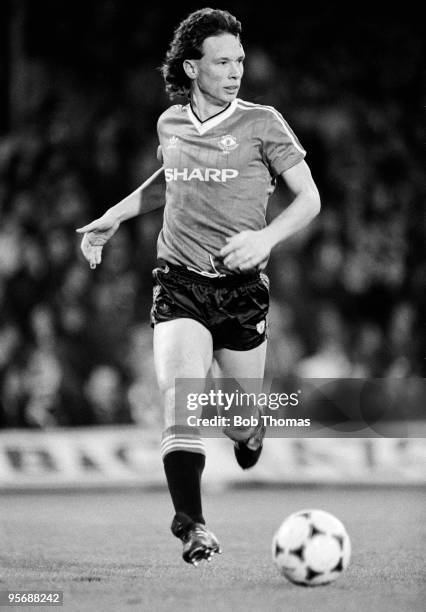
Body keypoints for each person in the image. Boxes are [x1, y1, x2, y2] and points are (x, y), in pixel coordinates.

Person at [76, 8, 320, 566]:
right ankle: (193, 527)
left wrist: (266, 241)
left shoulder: (264, 123)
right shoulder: (171, 124)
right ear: (192, 67)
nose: (236, 70)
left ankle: (250, 435)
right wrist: (113, 215)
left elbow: (310, 200)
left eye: (239, 60)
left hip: (241, 292)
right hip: (180, 281)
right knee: (180, 400)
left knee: (240, 419)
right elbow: (170, 182)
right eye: (222, 61)